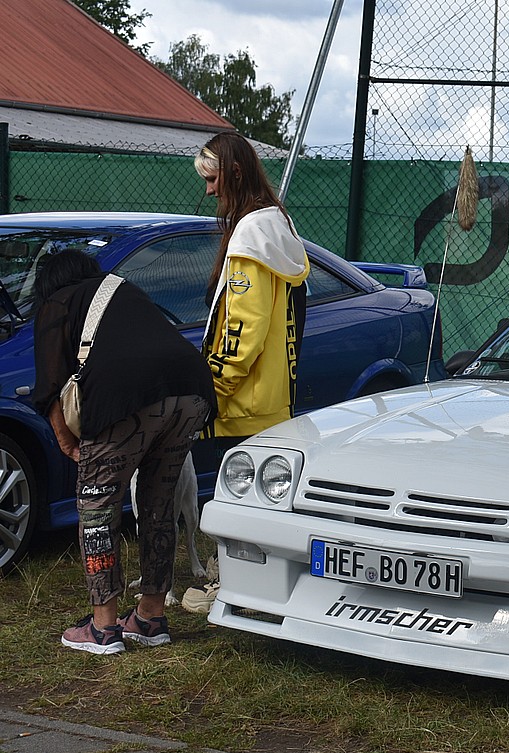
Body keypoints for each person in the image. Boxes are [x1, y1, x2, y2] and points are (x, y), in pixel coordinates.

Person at [32, 250, 215, 654]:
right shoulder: (122, 290)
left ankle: (102, 628)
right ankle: (150, 619)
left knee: (96, 511)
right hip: (193, 390)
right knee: (158, 505)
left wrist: (68, 443)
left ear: (49, 284)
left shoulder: (56, 302)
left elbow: (49, 388)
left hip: (125, 399)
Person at [185, 132, 309, 613]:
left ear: (234, 174)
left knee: (236, 502)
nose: (209, 190)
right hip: (272, 397)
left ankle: (229, 588)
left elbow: (243, 330)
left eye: (213, 179)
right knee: (263, 502)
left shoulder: (250, 237)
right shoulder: (277, 225)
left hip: (241, 401)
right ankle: (254, 589)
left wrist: (212, 385)